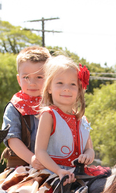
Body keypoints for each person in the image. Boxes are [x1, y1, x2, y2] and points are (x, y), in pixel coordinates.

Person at [33, 55, 109, 184]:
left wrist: (88, 156)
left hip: (78, 172)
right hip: (52, 173)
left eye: (72, 84)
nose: (66, 88)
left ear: (79, 90)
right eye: (60, 83)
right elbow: (40, 151)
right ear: (49, 88)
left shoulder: (82, 119)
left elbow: (89, 148)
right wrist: (58, 171)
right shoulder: (49, 115)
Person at [0, 46, 50, 169]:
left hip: (56, 164)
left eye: (39, 77)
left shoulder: (54, 104)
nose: (32, 83)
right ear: (19, 79)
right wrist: (32, 159)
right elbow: (12, 139)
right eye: (26, 77)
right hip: (23, 165)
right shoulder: (15, 107)